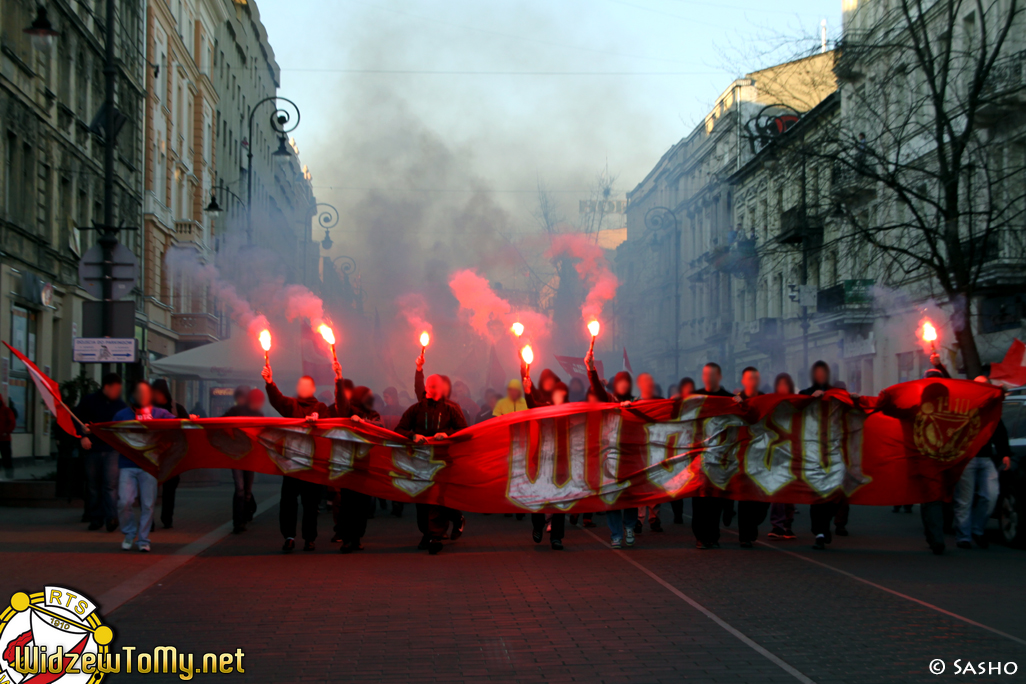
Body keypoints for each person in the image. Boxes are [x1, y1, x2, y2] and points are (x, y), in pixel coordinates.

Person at [263, 362, 334, 553]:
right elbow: (277, 400)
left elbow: (329, 424)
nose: (302, 389)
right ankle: (289, 537)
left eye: (306, 385)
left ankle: (310, 538)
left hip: (311, 463)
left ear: (312, 388)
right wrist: (270, 382)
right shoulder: (291, 405)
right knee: (288, 502)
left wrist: (318, 419)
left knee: (310, 503)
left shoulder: (320, 406)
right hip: (291, 462)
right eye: (300, 386)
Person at [395, 373, 467, 554]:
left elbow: (464, 430)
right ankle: (430, 531)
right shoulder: (416, 409)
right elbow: (399, 429)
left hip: (443, 462)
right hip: (420, 462)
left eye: (438, 385)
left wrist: (448, 435)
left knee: (437, 497)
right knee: (423, 500)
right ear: (426, 388)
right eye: (431, 385)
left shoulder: (451, 408)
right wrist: (412, 436)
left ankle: (435, 536)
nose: (435, 389)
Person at [112, 381, 175, 552]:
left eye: (146, 392)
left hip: (150, 465)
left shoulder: (159, 413)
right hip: (127, 464)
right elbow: (109, 433)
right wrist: (90, 431)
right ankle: (129, 533)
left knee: (148, 504)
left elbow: (178, 424)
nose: (143, 396)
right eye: (139, 392)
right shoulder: (122, 415)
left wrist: (190, 419)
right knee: (124, 501)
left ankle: (143, 539)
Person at [585, 346, 638, 549]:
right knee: (612, 496)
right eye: (620, 381)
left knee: (630, 495)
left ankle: (630, 527)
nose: (623, 384)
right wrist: (591, 369)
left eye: (626, 381)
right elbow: (598, 390)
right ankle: (616, 533)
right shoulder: (609, 400)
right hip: (610, 456)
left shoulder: (637, 403)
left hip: (631, 457)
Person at [954, 376, 1011, 549]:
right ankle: (964, 536)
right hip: (968, 459)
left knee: (990, 496)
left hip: (986, 459)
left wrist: (1005, 454)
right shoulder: (965, 406)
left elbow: (999, 430)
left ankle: (977, 530)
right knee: (965, 499)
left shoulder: (991, 408)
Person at [800, 361, 851, 550]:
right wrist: (810, 399)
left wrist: (853, 399)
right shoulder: (806, 392)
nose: (820, 376)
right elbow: (795, 406)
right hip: (813, 448)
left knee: (836, 490)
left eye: (824, 372)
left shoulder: (836, 393)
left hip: (834, 448)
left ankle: (825, 524)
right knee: (817, 492)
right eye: (817, 372)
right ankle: (820, 531)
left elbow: (851, 408)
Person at [689, 363, 734, 549]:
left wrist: (741, 404)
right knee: (699, 499)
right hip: (699, 457)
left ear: (720, 377)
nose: (709, 378)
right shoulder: (695, 397)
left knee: (715, 499)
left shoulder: (729, 399)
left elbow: (748, 414)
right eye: (706, 374)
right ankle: (700, 536)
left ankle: (713, 536)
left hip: (720, 457)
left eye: (712, 374)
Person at [75, 373, 127, 532]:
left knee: (110, 485)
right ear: (107, 387)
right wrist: (82, 435)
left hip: (112, 449)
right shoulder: (89, 401)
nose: (118, 392)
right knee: (93, 486)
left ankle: (111, 517)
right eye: (116, 389)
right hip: (93, 449)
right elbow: (77, 419)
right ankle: (96, 518)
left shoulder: (120, 405)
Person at [732, 367, 770, 548]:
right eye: (749, 378)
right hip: (743, 454)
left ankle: (753, 525)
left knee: (763, 497)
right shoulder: (736, 400)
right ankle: (744, 535)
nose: (752, 381)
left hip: (762, 453)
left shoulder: (765, 399)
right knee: (746, 497)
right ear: (743, 381)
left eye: (755, 378)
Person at [223, 387, 264, 533]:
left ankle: (245, 515)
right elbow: (221, 423)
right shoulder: (236, 411)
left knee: (245, 490)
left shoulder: (258, 414)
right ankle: (239, 521)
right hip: (238, 456)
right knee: (240, 488)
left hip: (249, 456)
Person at [151, 379, 187, 529]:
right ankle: (151, 520)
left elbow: (187, 426)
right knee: (150, 487)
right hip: (154, 453)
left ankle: (167, 518)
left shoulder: (176, 408)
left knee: (169, 488)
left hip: (170, 454)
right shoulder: (148, 409)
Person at [767, 373, 798, 539]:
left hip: (792, 452)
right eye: (780, 385)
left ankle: (787, 523)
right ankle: (778, 525)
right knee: (778, 491)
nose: (782, 388)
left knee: (789, 491)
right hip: (777, 453)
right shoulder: (771, 404)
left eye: (785, 385)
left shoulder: (796, 403)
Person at [635, 372, 665, 533]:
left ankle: (654, 517)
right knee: (641, 485)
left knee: (655, 485)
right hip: (641, 450)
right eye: (644, 381)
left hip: (656, 448)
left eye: (650, 381)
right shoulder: (635, 403)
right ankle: (639, 518)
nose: (648, 384)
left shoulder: (661, 403)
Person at [0, 396, 16, 479]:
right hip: (4, 438)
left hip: (4, 439)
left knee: (7, 458)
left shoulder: (6, 410)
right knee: (6, 458)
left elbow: (12, 422)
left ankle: (9, 476)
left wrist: (7, 432)